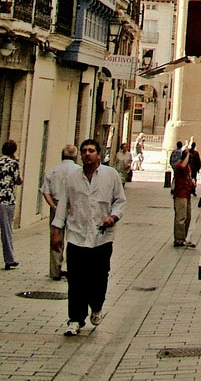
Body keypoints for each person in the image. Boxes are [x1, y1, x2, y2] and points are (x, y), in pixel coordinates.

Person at [53, 138, 126, 336]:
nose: (87, 154)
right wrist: (57, 231)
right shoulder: (72, 177)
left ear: (99, 155)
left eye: (91, 150)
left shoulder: (111, 175)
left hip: (102, 237)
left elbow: (120, 201)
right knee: (76, 279)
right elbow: (62, 205)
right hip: (77, 236)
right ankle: (75, 319)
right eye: (84, 150)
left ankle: (96, 305)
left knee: (99, 277)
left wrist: (113, 216)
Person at [41, 144, 80, 280]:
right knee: (74, 238)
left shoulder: (53, 171)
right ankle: (72, 269)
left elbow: (45, 191)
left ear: (62, 155)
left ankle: (55, 271)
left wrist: (54, 206)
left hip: (56, 205)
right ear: (75, 156)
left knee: (56, 238)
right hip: (73, 208)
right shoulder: (79, 171)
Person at [0, 140, 23, 269]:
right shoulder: (14, 164)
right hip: (7, 200)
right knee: (6, 230)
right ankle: (9, 259)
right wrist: (17, 160)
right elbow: (18, 180)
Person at [172, 148, 194, 246]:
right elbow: (183, 166)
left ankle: (183, 236)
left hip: (187, 194)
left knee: (188, 217)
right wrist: (187, 154)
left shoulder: (188, 167)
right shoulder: (179, 165)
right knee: (181, 217)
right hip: (180, 194)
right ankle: (179, 238)